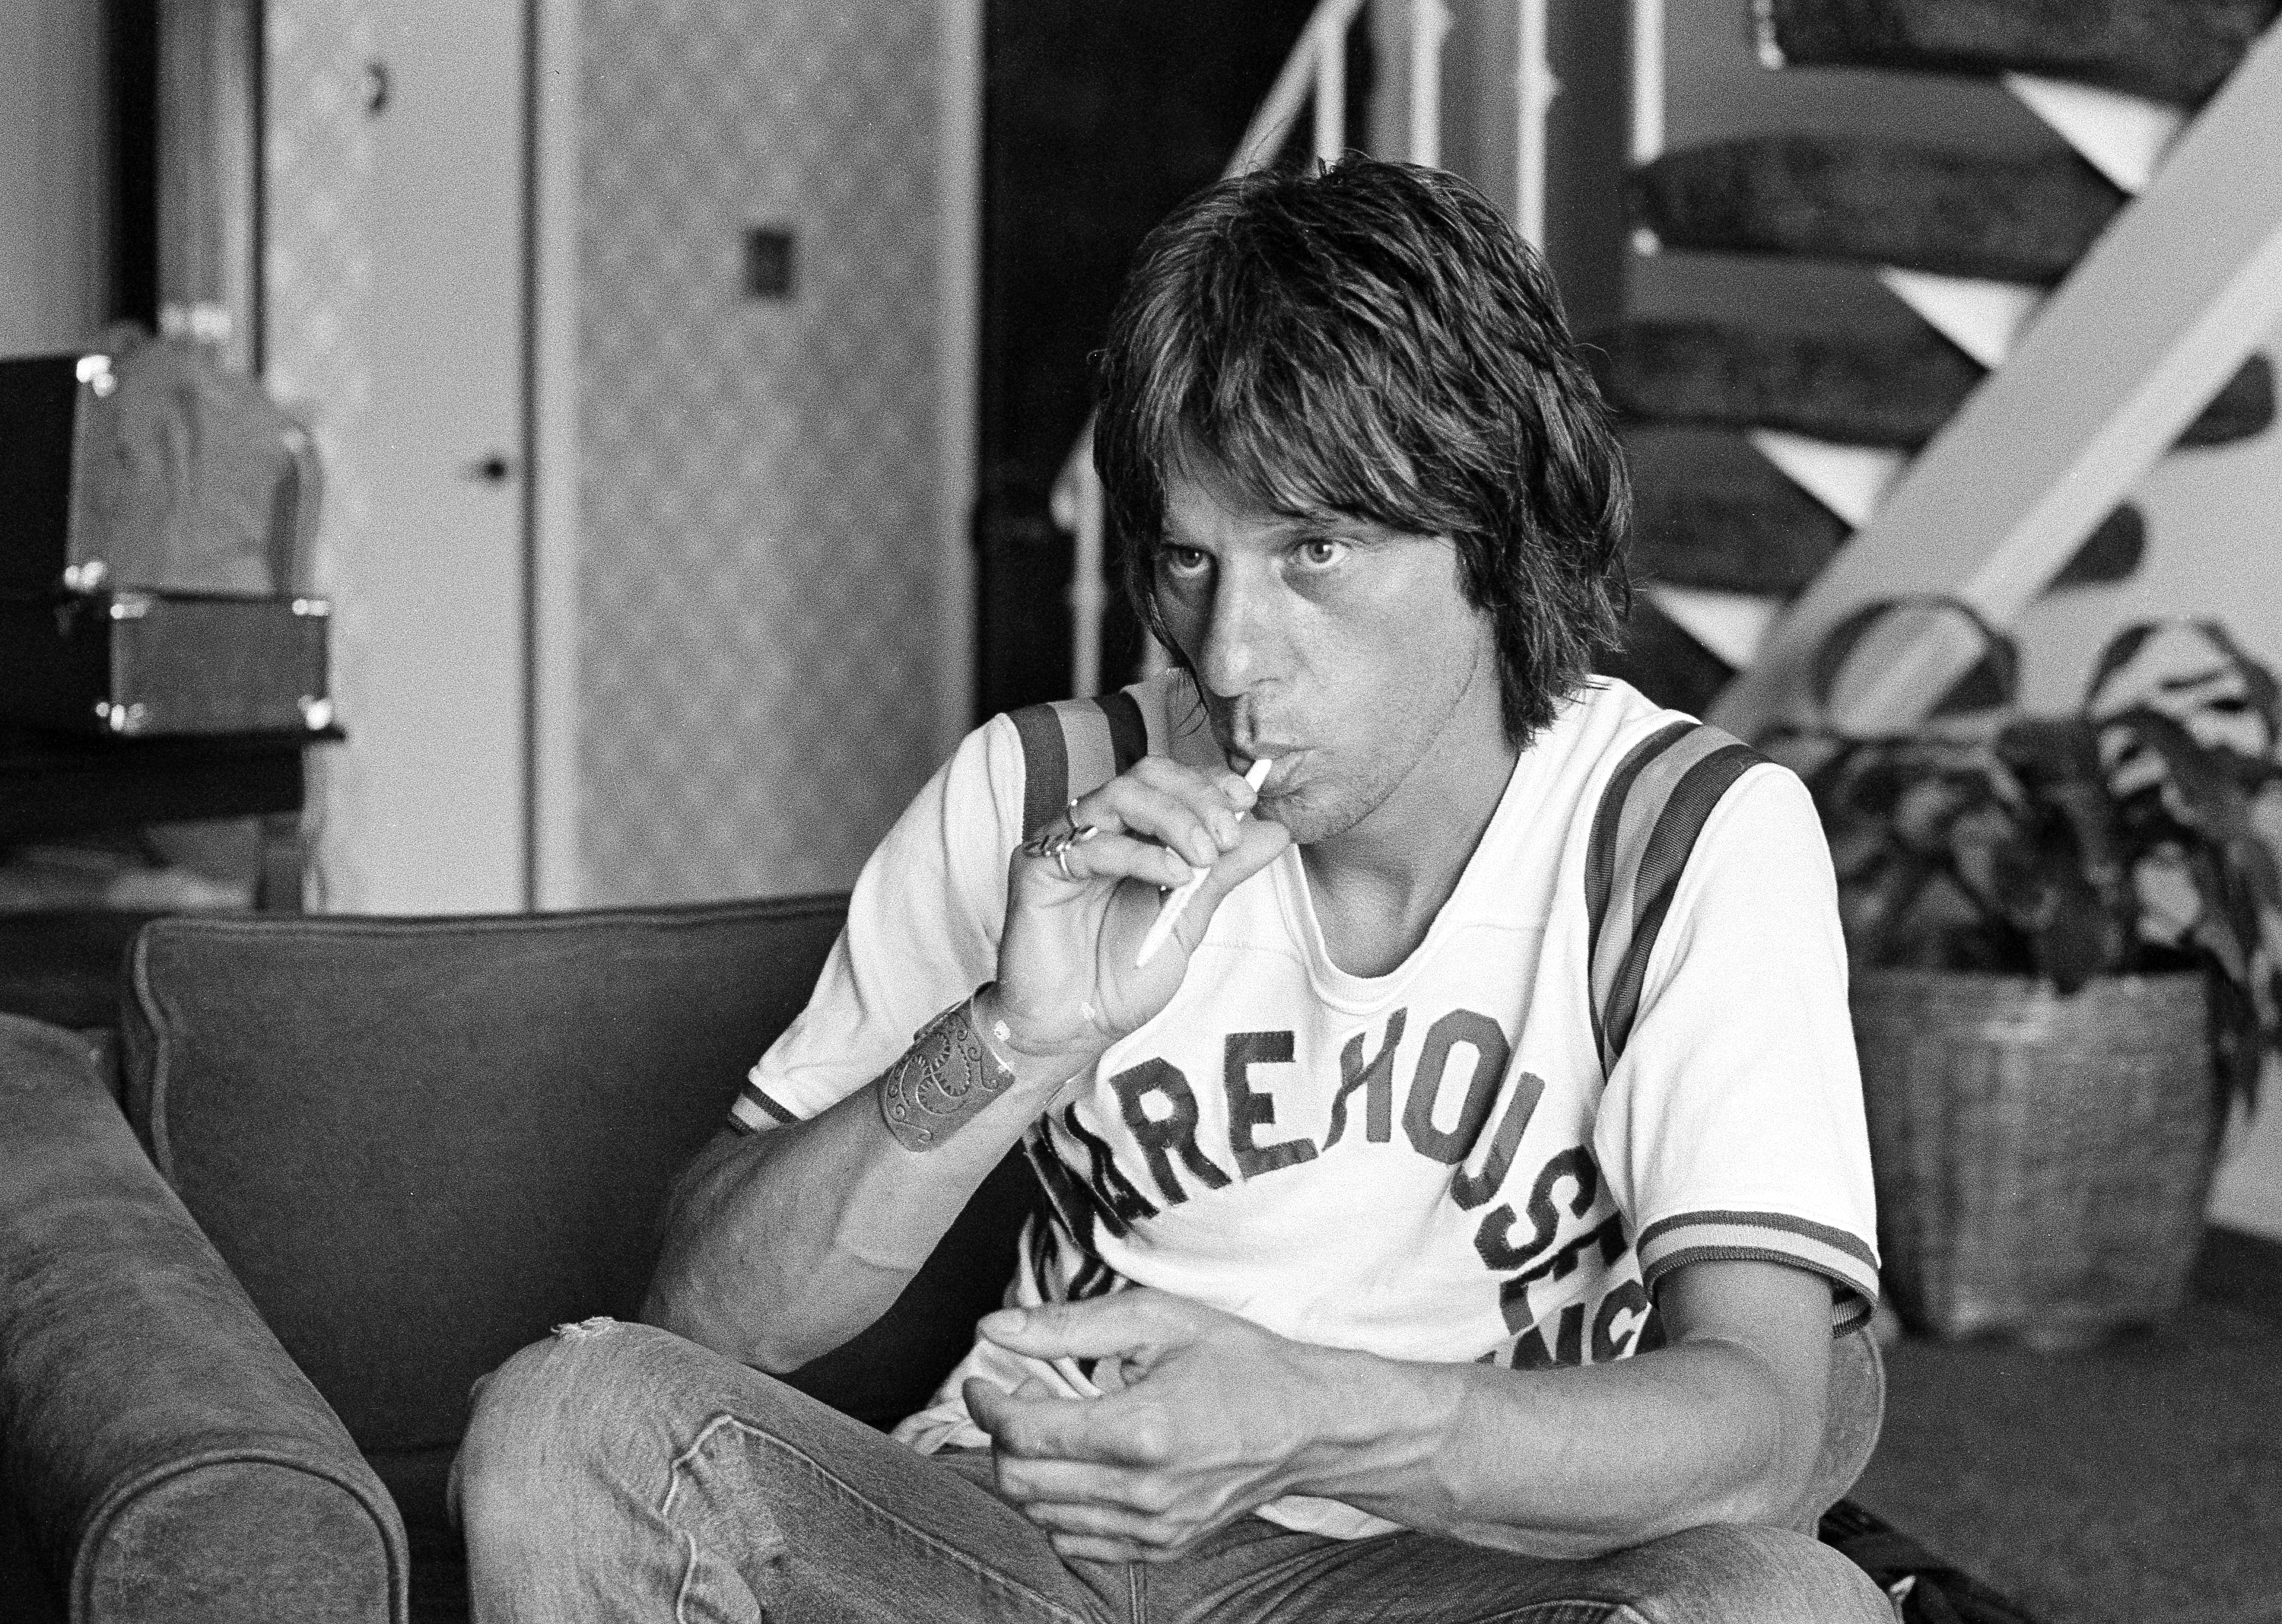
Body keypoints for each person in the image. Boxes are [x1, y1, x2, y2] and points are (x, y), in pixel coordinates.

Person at [453, 157, 1892, 1623]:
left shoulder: (1683, 833)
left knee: (1784, 1605)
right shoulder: (1041, 797)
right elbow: (705, 1317)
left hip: (1474, 1583)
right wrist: (1017, 1041)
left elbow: (1768, 1429)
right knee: (571, 1422)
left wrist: (1316, 1419)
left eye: (1315, 550)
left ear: (1499, 536)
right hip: (1037, 1550)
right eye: (1192, 561)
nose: (1229, 658)